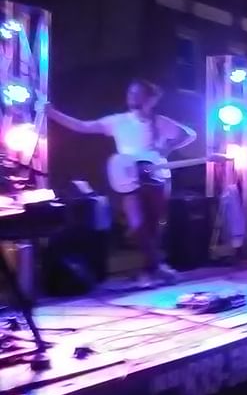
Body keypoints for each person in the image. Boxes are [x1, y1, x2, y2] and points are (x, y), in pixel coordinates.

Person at [46, 79, 197, 286]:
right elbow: (83, 126)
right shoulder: (118, 121)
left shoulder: (160, 122)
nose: (131, 97)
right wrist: (53, 114)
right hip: (128, 178)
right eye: (130, 93)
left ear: (150, 99)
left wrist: (167, 148)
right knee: (137, 224)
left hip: (156, 176)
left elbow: (189, 135)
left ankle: (149, 270)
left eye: (137, 93)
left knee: (153, 225)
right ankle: (158, 266)